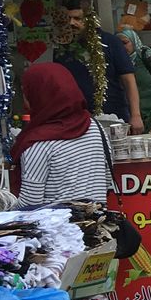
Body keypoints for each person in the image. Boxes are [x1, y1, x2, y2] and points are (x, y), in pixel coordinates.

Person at [12, 62, 113, 204]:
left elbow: (30, 203)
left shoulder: (38, 143)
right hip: (96, 216)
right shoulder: (96, 127)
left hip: (55, 218)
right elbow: (107, 178)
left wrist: (4, 209)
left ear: (37, 95)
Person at [59, 0, 143, 134]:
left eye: (77, 18)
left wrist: (136, 115)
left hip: (114, 116)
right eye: (68, 19)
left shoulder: (110, 42)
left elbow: (129, 80)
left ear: (90, 19)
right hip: (79, 120)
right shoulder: (64, 48)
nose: (72, 23)